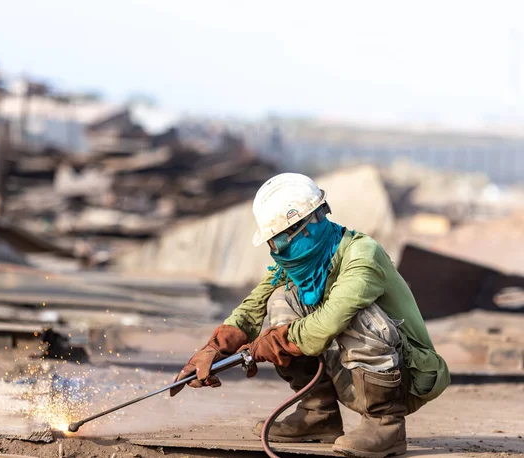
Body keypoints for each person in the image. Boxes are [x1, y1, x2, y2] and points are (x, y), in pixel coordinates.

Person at [170, 173, 450, 458]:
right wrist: (214, 349)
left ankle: (386, 425)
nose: (277, 252)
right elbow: (253, 306)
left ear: (306, 227)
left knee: (355, 314)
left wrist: (271, 344)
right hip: (354, 372)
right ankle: (318, 415)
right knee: (280, 299)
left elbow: (329, 321)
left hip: (405, 378)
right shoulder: (302, 265)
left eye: (277, 242)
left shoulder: (362, 255)